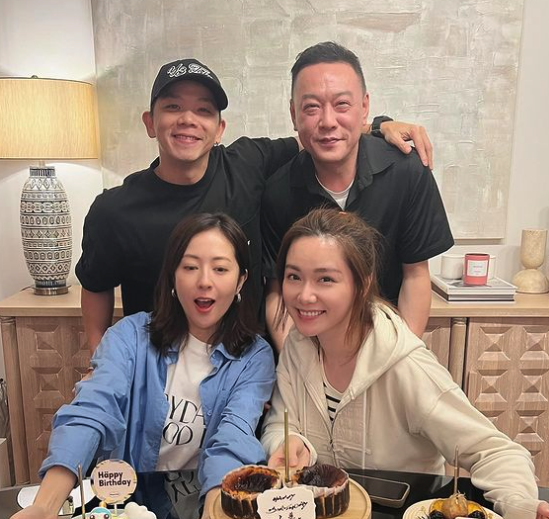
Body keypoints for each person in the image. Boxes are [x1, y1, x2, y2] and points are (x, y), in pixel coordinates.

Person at [75, 57, 435, 353]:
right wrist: (99, 360)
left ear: (220, 128)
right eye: (173, 107)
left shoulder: (247, 164)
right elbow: (95, 286)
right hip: (157, 366)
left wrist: (379, 126)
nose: (188, 119)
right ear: (150, 122)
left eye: (203, 110)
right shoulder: (114, 209)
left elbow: (319, 134)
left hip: (244, 365)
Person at [261, 208, 549, 519]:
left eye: (325, 279)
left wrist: (525, 515)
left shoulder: (406, 365)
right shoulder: (297, 347)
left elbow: (496, 452)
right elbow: (280, 422)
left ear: (362, 283)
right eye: (294, 277)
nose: (304, 295)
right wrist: (287, 442)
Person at [0, 213, 276, 519]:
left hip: (206, 501)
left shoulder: (255, 356)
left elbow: (233, 437)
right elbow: (92, 409)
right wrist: (47, 504)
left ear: (241, 280)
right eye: (190, 267)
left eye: (220, 269)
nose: (204, 281)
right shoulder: (130, 336)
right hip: (126, 506)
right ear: (173, 276)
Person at [262, 42, 454, 348]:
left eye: (342, 104)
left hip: (386, 342)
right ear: (294, 114)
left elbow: (416, 277)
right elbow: (277, 291)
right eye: (311, 107)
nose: (328, 121)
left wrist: (397, 358)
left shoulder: (407, 172)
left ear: (364, 107)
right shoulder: (277, 191)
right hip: (310, 347)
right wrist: (298, 362)